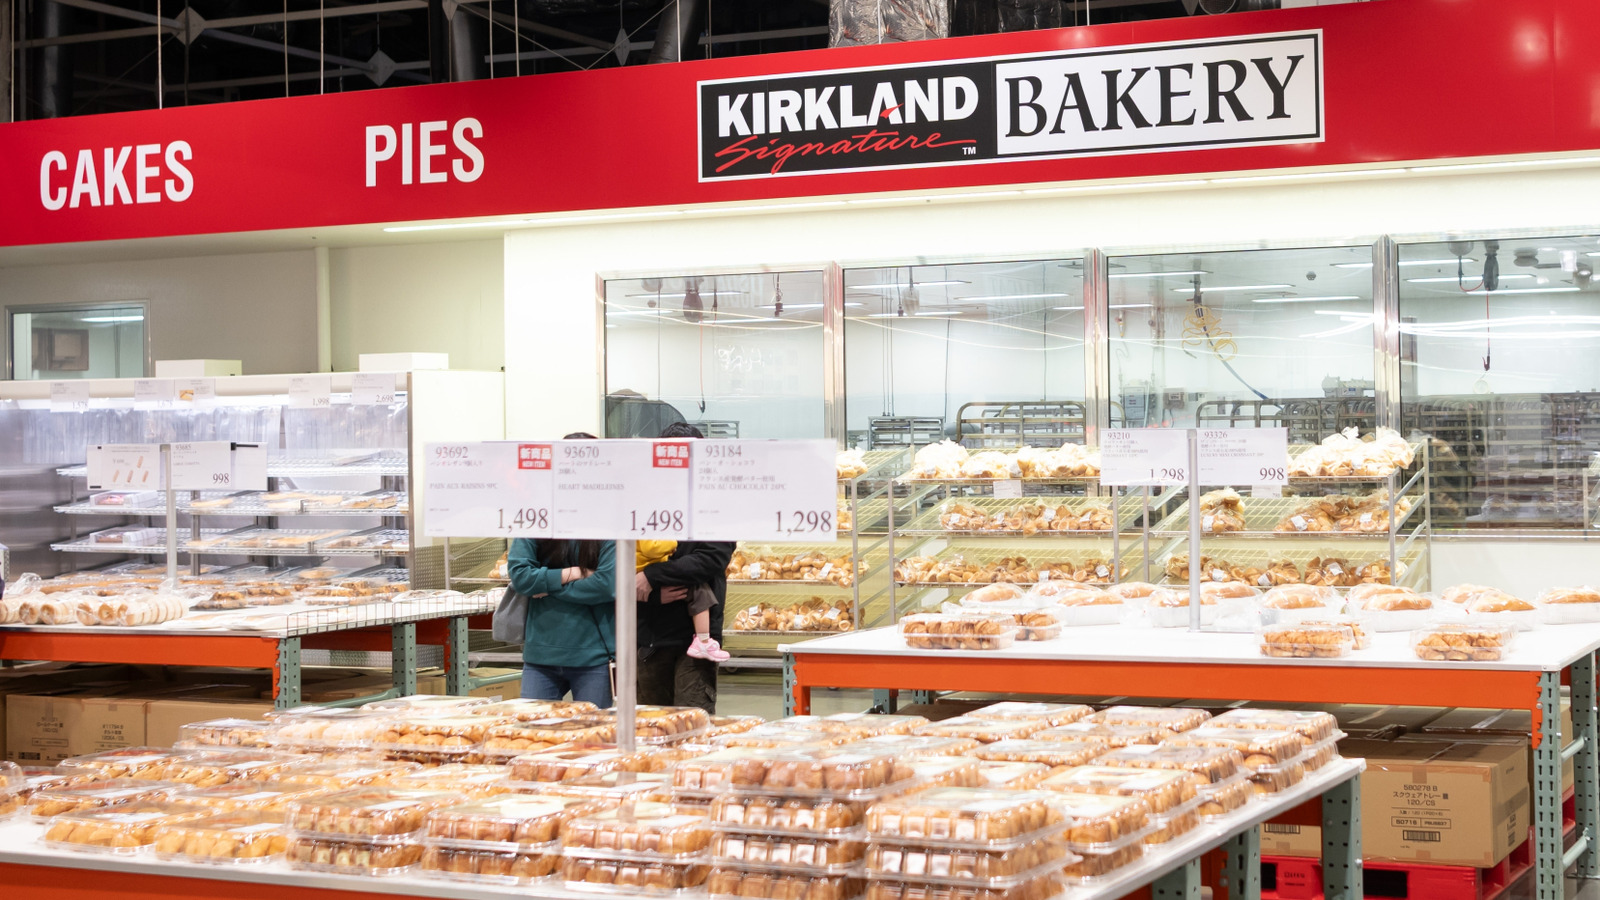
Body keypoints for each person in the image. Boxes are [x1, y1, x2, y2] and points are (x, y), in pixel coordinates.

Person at [507, 432, 617, 708]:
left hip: (595, 656)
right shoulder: (537, 515)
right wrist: (573, 573)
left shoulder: (610, 518)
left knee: (593, 733)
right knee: (533, 730)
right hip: (540, 656)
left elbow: (607, 584)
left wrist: (547, 587)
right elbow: (520, 576)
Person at [635, 422, 735, 713]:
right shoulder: (645, 501)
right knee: (652, 725)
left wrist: (653, 576)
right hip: (650, 633)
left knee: (693, 722)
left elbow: (712, 559)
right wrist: (653, 590)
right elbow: (624, 558)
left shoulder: (716, 503)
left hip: (698, 639)